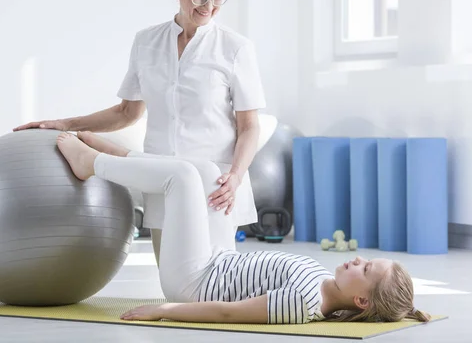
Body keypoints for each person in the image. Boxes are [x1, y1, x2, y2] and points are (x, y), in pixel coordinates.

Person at [13, 0, 266, 262]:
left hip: (215, 186)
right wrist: (65, 124)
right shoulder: (147, 42)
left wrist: (236, 177)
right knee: (171, 285)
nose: (210, 6)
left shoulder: (235, 48)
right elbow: (127, 112)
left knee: (213, 283)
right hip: (160, 176)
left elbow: (249, 126)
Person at [55, 131, 431, 324]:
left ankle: (93, 165)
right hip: (219, 260)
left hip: (195, 284)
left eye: (366, 269)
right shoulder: (323, 280)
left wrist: (164, 309)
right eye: (367, 260)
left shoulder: (305, 303)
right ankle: (120, 156)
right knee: (208, 173)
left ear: (362, 301)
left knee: (183, 177)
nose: (359, 259)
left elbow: (227, 313)